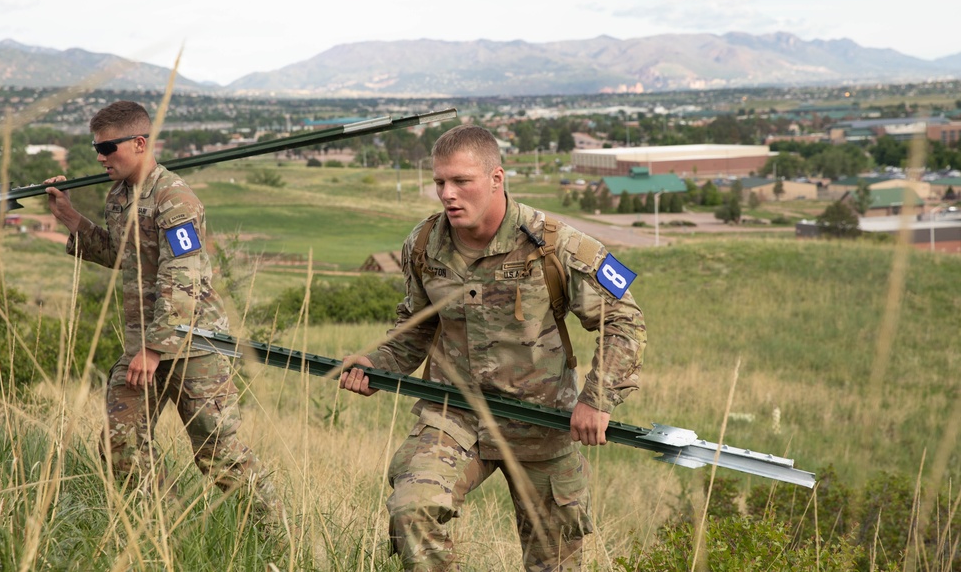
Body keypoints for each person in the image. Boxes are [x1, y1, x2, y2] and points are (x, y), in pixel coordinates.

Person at [340, 125, 647, 571]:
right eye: (440, 182)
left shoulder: (556, 245)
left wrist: (597, 400)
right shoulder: (424, 244)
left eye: (461, 181)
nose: (448, 193)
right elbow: (415, 328)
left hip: (541, 420)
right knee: (412, 509)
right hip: (455, 414)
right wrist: (376, 364)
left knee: (555, 560)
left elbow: (623, 318)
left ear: (496, 178)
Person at [45, 100, 279, 519]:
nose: (100, 157)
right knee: (121, 446)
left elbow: (183, 277)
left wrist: (154, 349)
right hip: (143, 346)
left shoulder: (175, 199)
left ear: (139, 142)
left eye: (107, 148)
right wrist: (69, 218)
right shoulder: (118, 197)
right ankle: (165, 531)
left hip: (195, 348)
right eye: (94, 149)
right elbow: (122, 255)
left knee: (217, 455)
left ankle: (277, 542)